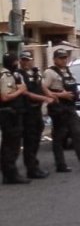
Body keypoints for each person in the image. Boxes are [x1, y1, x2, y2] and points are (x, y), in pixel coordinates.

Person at [43, 48, 80, 172]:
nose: (63, 60)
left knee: (77, 134)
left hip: (70, 106)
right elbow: (43, 89)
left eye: (65, 58)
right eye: (60, 58)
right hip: (59, 107)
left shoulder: (68, 71)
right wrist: (59, 95)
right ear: (54, 59)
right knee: (60, 136)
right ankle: (60, 165)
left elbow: (72, 86)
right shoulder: (50, 72)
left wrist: (76, 93)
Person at [17, 51, 54, 179]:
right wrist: (43, 98)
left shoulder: (35, 72)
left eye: (28, 60)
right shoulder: (19, 75)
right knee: (30, 141)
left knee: (36, 138)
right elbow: (25, 93)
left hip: (36, 110)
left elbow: (41, 86)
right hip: (28, 111)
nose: (26, 62)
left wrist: (51, 95)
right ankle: (31, 169)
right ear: (20, 61)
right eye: (23, 60)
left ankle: (34, 165)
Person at [0, 52, 30, 184]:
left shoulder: (9, 74)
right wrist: (20, 91)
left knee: (11, 144)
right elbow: (5, 97)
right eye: (16, 61)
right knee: (11, 145)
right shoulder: (6, 75)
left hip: (11, 114)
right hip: (9, 114)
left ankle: (10, 173)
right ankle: (11, 174)